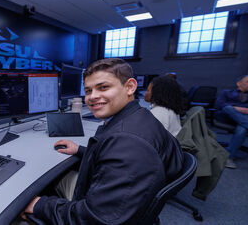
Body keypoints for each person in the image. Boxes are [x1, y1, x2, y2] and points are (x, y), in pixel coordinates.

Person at [19, 58, 184, 224]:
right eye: (88, 90)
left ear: (130, 87)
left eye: (103, 87)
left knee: (18, 205)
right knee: (52, 179)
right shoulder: (141, 116)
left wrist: (39, 205)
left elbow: (96, 218)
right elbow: (114, 156)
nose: (93, 97)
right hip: (126, 200)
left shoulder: (128, 143)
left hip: (100, 212)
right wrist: (80, 150)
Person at [214, 75, 248, 169]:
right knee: (228, 108)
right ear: (239, 83)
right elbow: (219, 104)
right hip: (228, 117)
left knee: (242, 129)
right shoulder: (227, 92)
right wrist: (239, 109)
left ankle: (229, 157)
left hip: (247, 118)